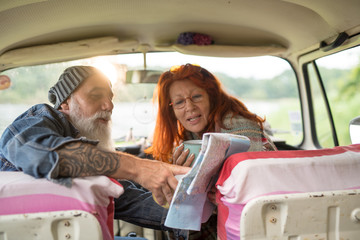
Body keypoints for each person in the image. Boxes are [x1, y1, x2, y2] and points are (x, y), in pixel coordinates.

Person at [0, 66, 190, 238]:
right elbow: (36, 151)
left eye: (110, 97)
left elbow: (129, 199)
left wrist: (195, 212)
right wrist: (140, 168)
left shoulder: (88, 148)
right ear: (65, 102)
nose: (109, 105)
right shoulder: (42, 118)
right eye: (95, 95)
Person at [146, 63, 277, 239]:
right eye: (179, 102)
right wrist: (183, 177)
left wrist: (220, 196)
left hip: (260, 219)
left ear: (211, 96)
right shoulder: (190, 134)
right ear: (172, 110)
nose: (189, 107)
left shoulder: (236, 124)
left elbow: (254, 187)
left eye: (196, 96)